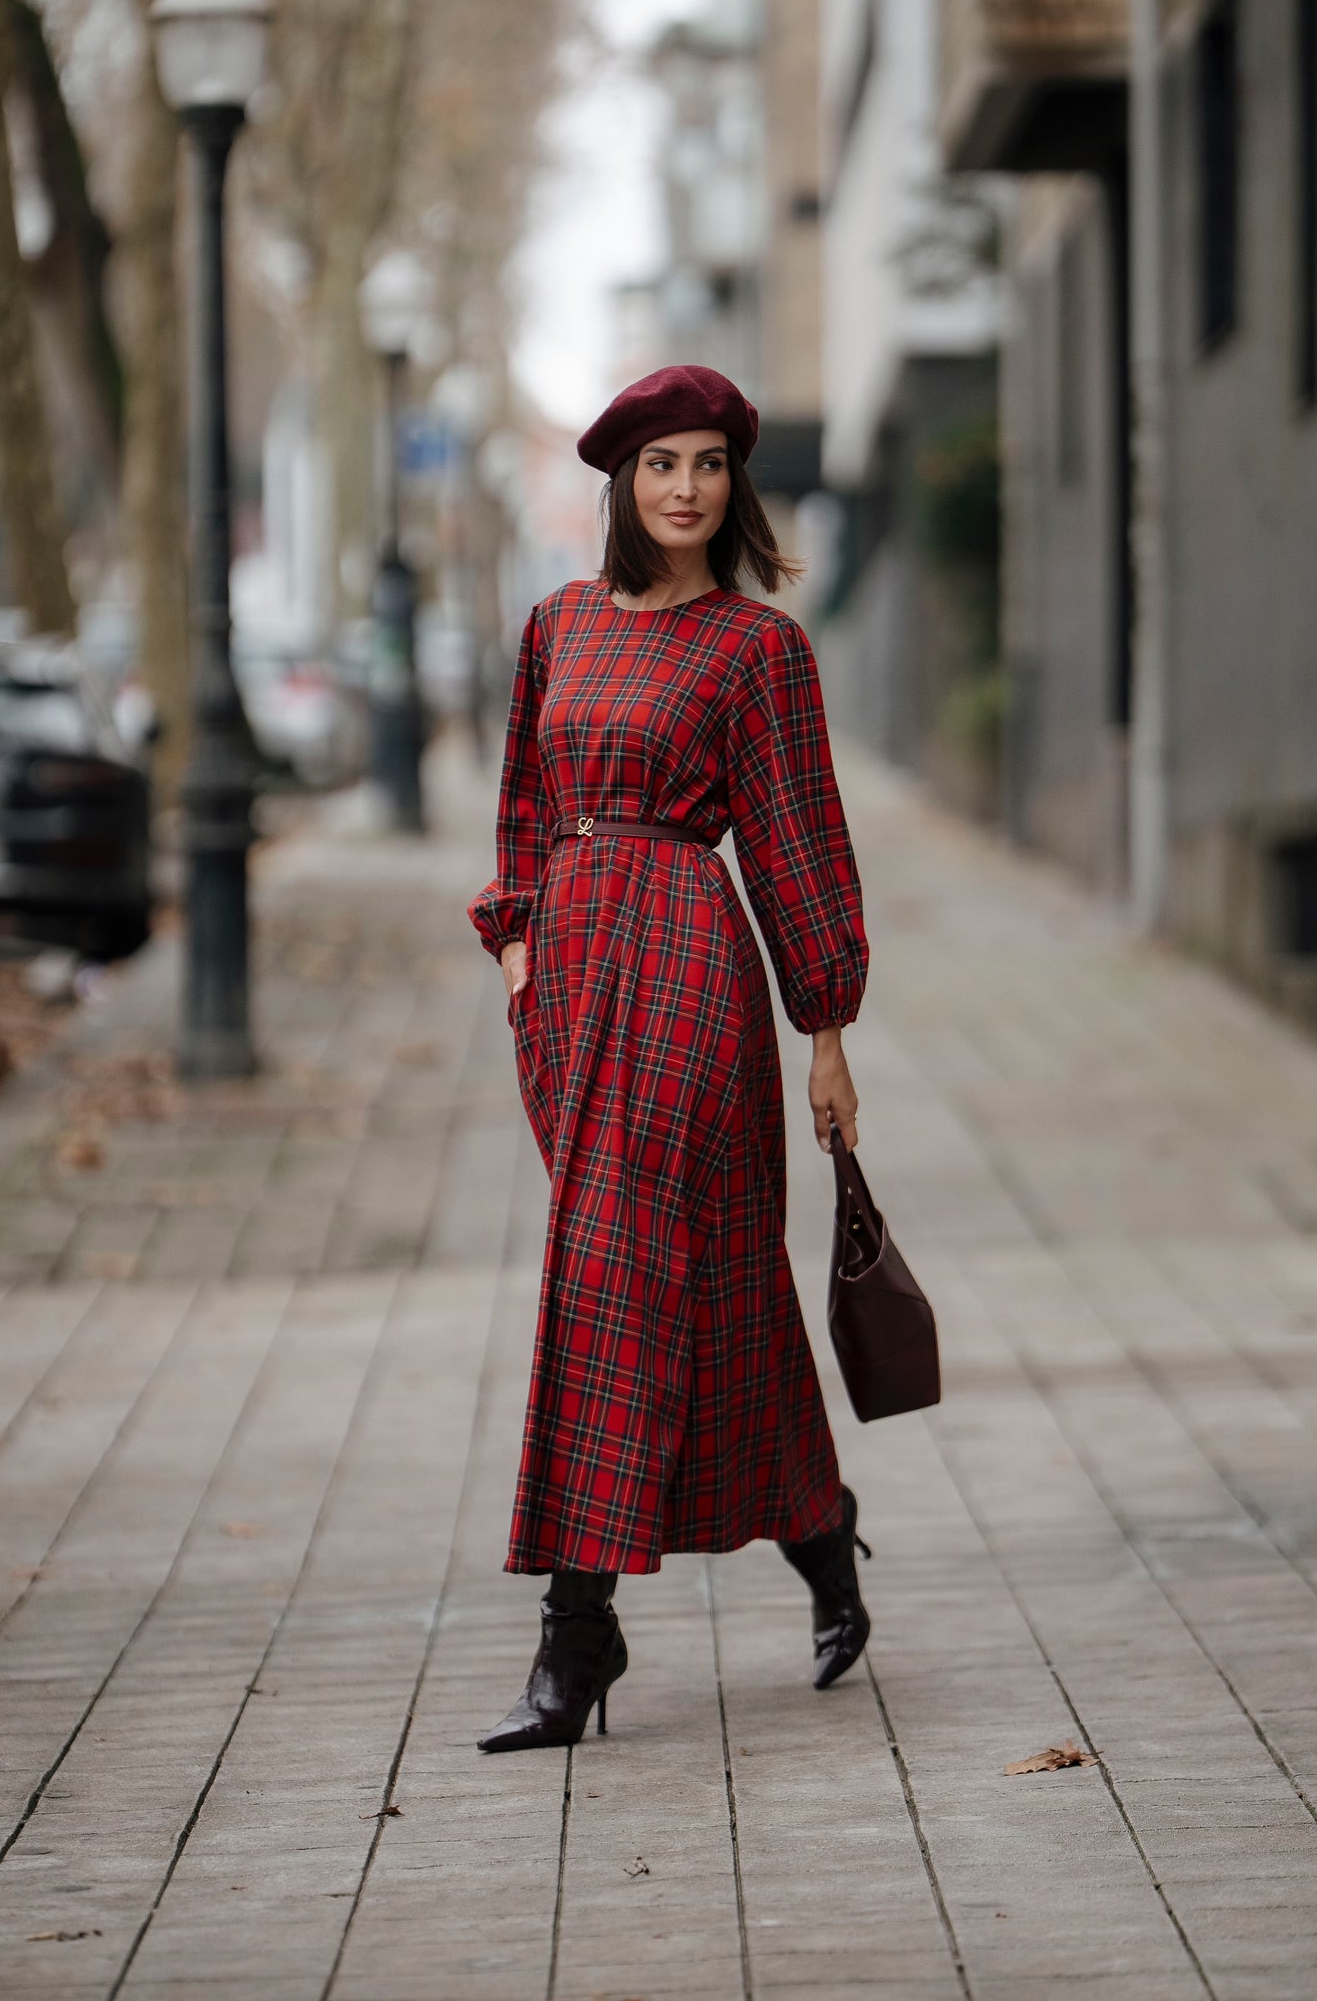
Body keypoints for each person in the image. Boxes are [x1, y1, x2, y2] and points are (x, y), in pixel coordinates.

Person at [467, 364, 872, 1754]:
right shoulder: (559, 627)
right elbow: (521, 802)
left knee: (608, 1271)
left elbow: (799, 849)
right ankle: (822, 1534)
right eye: (660, 465)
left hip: (692, 971)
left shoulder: (759, 652)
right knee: (709, 1285)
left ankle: (574, 1643)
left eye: (707, 463)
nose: (685, 487)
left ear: (732, 484)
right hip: (570, 982)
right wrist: (518, 955)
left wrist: (825, 1037)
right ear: (622, 484)